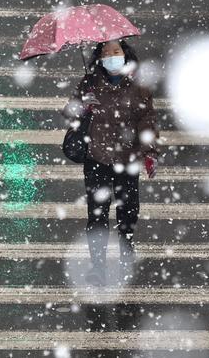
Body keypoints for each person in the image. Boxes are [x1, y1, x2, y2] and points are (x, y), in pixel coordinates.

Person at [63, 39, 160, 286]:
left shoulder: (138, 85)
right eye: (106, 53)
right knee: (97, 215)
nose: (111, 57)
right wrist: (84, 107)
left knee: (128, 208)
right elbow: (69, 111)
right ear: (100, 58)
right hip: (96, 158)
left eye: (116, 52)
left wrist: (149, 152)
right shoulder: (90, 82)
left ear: (125, 55)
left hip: (127, 158)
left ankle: (126, 240)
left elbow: (146, 119)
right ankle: (98, 265)